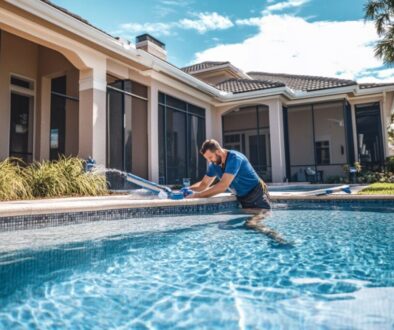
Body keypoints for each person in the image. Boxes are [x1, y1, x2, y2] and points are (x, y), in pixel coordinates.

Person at [187, 139, 286, 244]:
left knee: (252, 224)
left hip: (257, 195)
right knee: (241, 227)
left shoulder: (234, 158)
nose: (210, 161)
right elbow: (203, 185)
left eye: (210, 157)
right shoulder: (214, 165)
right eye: (207, 159)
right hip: (243, 198)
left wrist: (197, 196)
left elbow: (222, 186)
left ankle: (279, 240)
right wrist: (188, 190)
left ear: (218, 151)